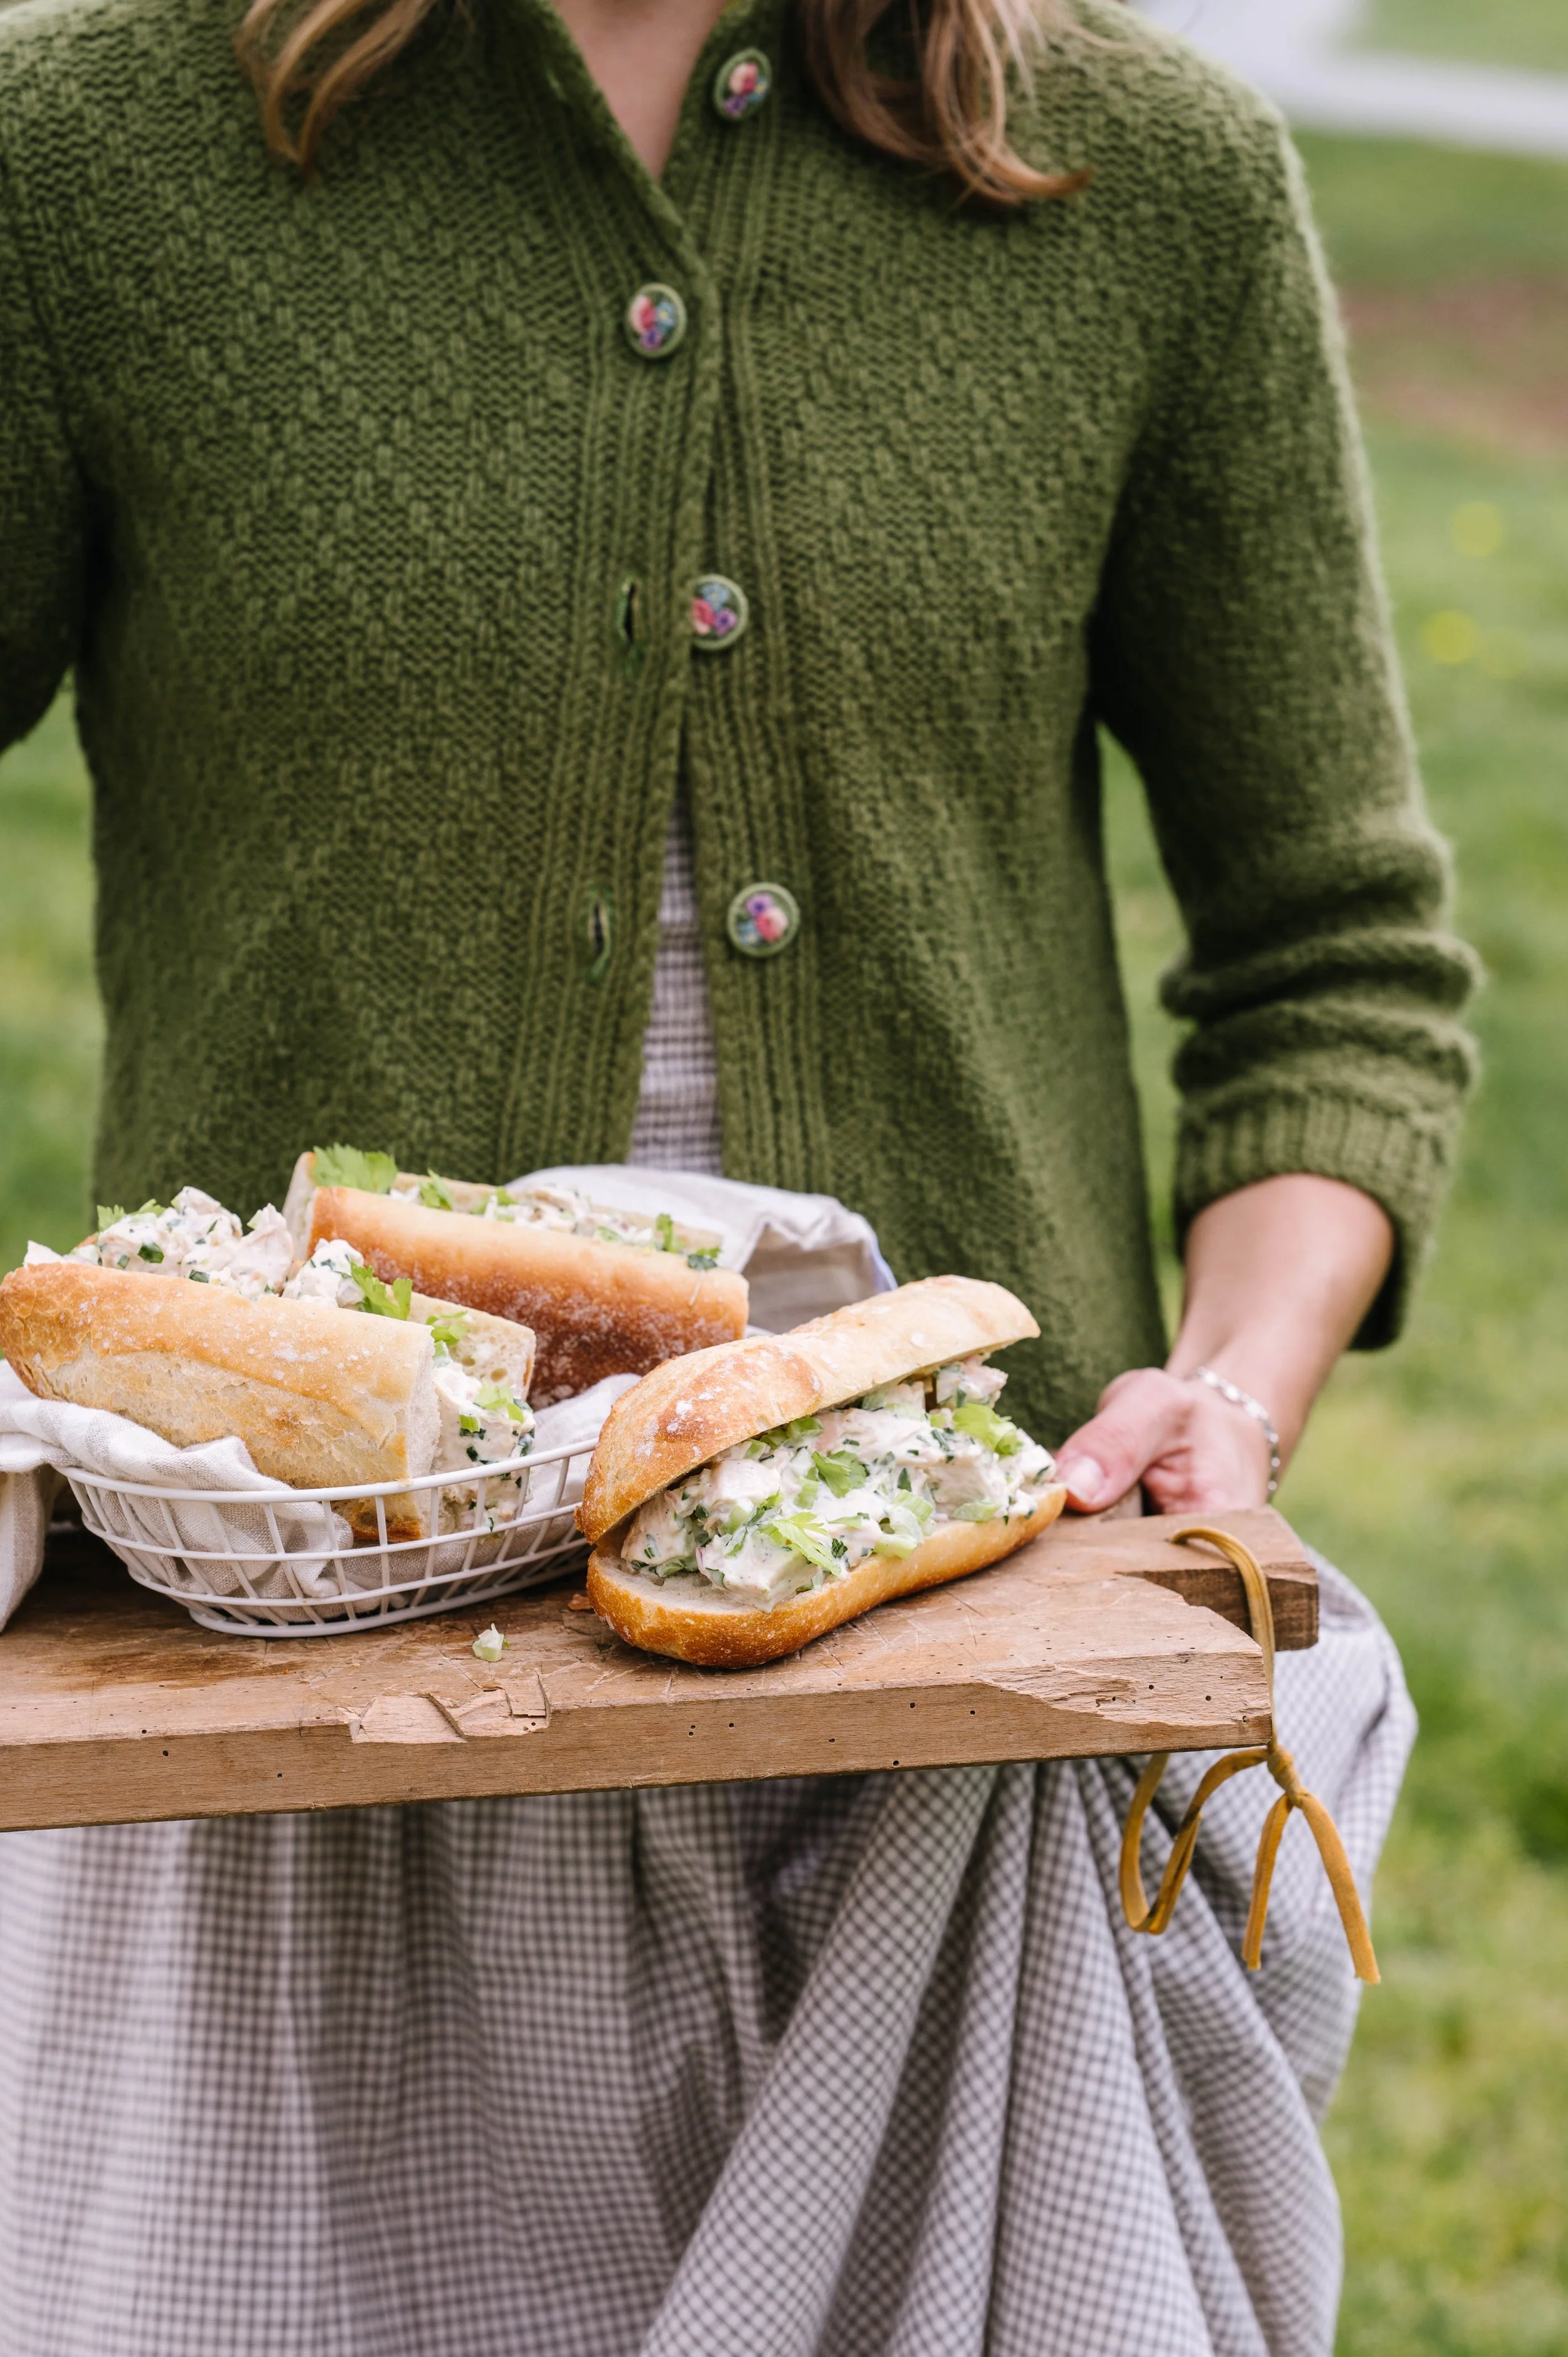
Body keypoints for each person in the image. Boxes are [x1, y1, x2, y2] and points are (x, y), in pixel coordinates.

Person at [0, 0, 1475, 2344]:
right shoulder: (87, 157)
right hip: (305, 1702)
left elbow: (1337, 952)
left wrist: (1230, 1384)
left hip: (952, 1680)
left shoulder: (1149, 178)